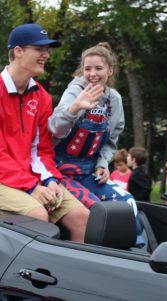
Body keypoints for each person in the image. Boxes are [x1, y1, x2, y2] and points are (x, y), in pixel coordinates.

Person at [0, 23, 89, 243]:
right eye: (39, 49)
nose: (46, 55)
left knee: (82, 217)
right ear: (18, 51)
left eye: (47, 50)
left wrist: (50, 179)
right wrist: (32, 188)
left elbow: (42, 150)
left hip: (28, 177)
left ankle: (72, 276)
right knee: (37, 215)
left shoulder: (42, 96)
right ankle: (38, 276)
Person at [48, 42, 144, 245]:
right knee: (98, 209)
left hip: (90, 172)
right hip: (59, 172)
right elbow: (54, 129)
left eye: (98, 68)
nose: (92, 73)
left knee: (126, 204)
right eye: (87, 68)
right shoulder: (74, 92)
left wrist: (102, 164)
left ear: (110, 70)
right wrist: (74, 108)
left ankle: (135, 253)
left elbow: (111, 141)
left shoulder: (114, 100)